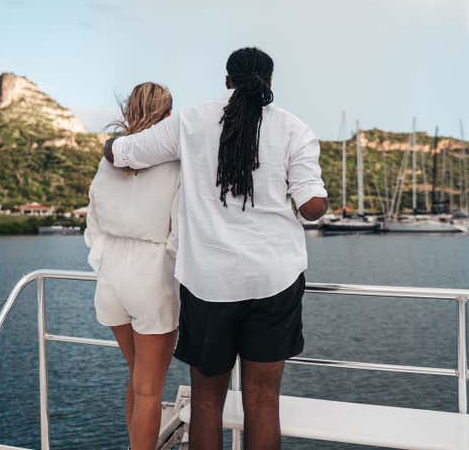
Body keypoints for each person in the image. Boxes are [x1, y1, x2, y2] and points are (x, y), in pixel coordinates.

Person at [104, 47, 328, 449]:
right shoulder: (295, 130)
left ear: (227, 81)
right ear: (270, 84)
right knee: (264, 400)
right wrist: (312, 200)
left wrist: (110, 147)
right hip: (273, 281)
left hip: (208, 284)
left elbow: (125, 152)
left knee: (206, 401)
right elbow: (311, 206)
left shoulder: (190, 121)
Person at [84, 82, 180, 450]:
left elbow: (92, 223)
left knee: (137, 377)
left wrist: (108, 259)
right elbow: (179, 231)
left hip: (111, 275)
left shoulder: (108, 160)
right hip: (151, 275)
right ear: (169, 116)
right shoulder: (175, 161)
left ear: (128, 112)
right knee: (149, 389)